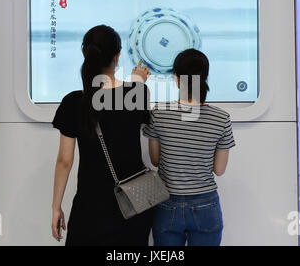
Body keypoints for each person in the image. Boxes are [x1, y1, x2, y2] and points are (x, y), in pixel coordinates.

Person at [51, 25, 153, 246]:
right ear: (117, 56)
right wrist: (138, 80)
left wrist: (56, 207)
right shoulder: (136, 94)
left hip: (90, 208)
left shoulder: (73, 102)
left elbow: (64, 161)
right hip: (132, 206)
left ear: (84, 54)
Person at [143, 49, 235, 246]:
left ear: (176, 78)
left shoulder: (159, 113)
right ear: (205, 77)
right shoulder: (221, 118)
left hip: (167, 204)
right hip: (206, 205)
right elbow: (219, 170)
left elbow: (155, 160)